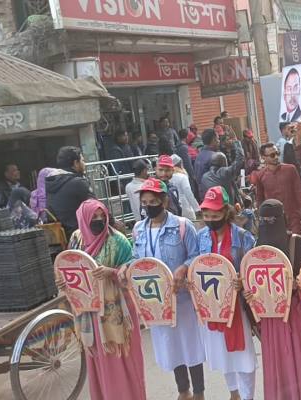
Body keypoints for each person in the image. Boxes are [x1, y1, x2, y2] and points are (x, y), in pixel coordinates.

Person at [54, 200, 147, 400]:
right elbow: (71, 268)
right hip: (90, 311)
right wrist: (64, 282)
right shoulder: (77, 239)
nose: (99, 221)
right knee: (98, 361)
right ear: (83, 219)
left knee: (121, 360)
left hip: (116, 314)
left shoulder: (118, 241)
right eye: (93, 217)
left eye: (102, 216)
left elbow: (131, 274)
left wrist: (111, 272)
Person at [128, 178, 205, 400]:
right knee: (171, 347)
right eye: (145, 202)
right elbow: (136, 258)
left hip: (182, 298)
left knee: (190, 345)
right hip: (156, 301)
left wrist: (184, 267)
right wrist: (126, 268)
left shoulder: (182, 226)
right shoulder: (138, 230)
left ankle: (199, 392)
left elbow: (196, 255)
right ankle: (183, 391)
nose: (148, 206)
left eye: (153, 201)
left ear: (164, 201)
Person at [248, 199, 301, 400]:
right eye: (264, 220)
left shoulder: (296, 243)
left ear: (282, 219)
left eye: (272, 220)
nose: (268, 224)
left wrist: (299, 285)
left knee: (300, 364)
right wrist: (249, 295)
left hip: (295, 318)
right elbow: (252, 283)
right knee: (277, 368)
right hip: (270, 321)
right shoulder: (256, 248)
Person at [196, 187, 257, 400]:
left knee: (243, 356)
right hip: (213, 305)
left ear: (226, 212)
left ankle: (247, 396)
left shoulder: (243, 237)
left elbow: (253, 268)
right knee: (222, 353)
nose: (210, 220)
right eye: (206, 215)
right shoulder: (201, 236)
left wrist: (243, 281)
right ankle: (234, 393)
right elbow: (195, 264)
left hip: (237, 307)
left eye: (215, 215)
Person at [251, 143, 301, 235]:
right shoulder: (260, 175)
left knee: (297, 242)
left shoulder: (290, 169)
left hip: (294, 218)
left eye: (277, 153)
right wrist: (263, 219)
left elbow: (300, 193)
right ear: (263, 157)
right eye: (272, 155)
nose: (276, 157)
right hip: (273, 221)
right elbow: (260, 200)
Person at [46, 146, 95, 238]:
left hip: (62, 236)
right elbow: (96, 208)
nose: (84, 164)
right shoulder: (78, 183)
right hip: (80, 235)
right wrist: (113, 222)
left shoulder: (51, 182)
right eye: (83, 161)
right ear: (76, 163)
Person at [170, 154, 201, 221]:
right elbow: (188, 192)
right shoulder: (182, 176)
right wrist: (196, 208)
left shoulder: (169, 176)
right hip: (184, 205)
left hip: (173, 205)